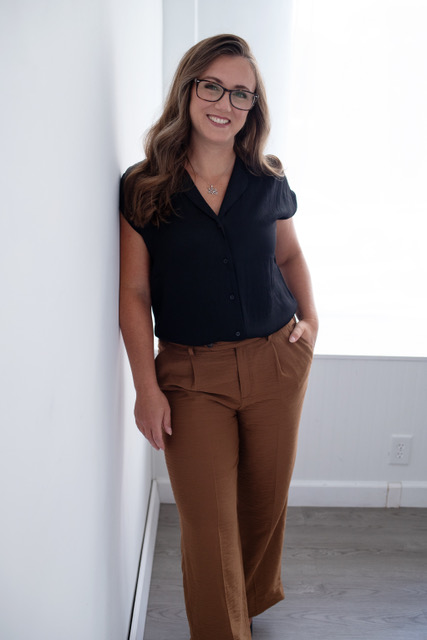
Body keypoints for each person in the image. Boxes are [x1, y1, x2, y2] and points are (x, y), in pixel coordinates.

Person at [119, 34, 318, 640]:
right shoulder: (145, 185)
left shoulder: (266, 179)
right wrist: (146, 389)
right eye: (213, 86)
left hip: (276, 363)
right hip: (190, 377)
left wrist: (311, 326)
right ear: (188, 89)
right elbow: (133, 296)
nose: (224, 103)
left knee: (262, 507)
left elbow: (289, 258)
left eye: (241, 94)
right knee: (209, 528)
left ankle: (246, 605)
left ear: (253, 107)